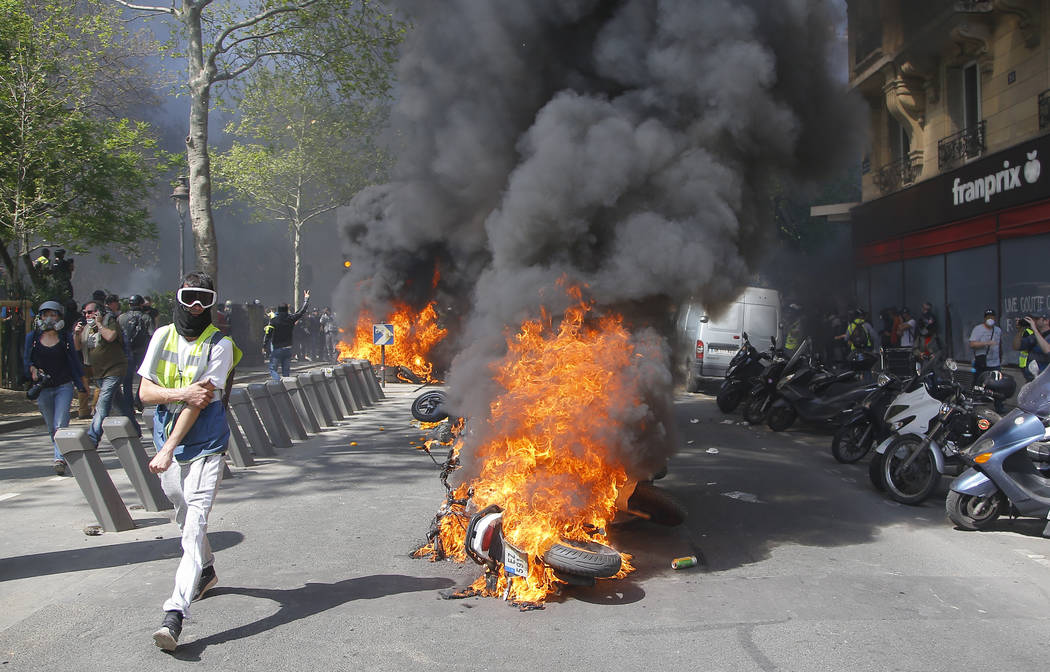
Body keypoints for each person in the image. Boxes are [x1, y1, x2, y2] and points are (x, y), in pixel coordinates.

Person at [140, 271, 242, 652]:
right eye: (190, 297)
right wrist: (181, 392)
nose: (197, 306)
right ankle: (208, 569)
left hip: (206, 443)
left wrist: (168, 448)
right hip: (168, 438)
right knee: (181, 511)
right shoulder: (162, 336)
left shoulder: (221, 344)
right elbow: (145, 391)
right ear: (179, 299)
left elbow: (199, 404)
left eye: (204, 299)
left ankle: (175, 613)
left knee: (193, 525)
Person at [23, 301, 86, 475]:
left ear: (59, 317)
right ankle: (61, 452)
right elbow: (26, 360)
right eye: (45, 315)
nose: (49, 318)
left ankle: (59, 458)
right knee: (52, 427)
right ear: (40, 317)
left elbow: (74, 361)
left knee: (60, 424)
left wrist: (80, 384)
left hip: (63, 386)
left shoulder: (65, 338)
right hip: (43, 388)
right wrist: (32, 369)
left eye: (53, 314)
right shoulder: (33, 338)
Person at [76, 300, 139, 446]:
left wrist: (99, 324)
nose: (87, 315)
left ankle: (92, 438)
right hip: (98, 373)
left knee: (102, 404)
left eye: (90, 312)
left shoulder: (109, 321)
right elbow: (78, 347)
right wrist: (77, 333)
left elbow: (110, 336)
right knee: (120, 405)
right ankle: (135, 430)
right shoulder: (87, 328)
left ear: (98, 312)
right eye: (85, 313)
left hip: (115, 369)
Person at [263, 290, 310, 380]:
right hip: (288, 349)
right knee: (286, 371)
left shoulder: (273, 320)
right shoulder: (290, 319)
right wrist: (306, 299)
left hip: (277, 348)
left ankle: (278, 382)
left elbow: (268, 334)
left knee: (273, 369)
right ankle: (286, 385)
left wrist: (264, 345)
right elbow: (301, 312)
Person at [119, 295, 154, 412]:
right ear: (141, 304)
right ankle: (138, 400)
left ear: (129, 304)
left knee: (127, 380)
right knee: (144, 376)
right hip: (142, 352)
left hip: (126, 352)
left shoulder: (121, 318)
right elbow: (152, 335)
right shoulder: (146, 317)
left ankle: (128, 405)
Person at [969, 308, 1004, 411]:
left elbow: (1000, 344)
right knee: (978, 384)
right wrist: (986, 343)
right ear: (985, 318)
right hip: (982, 362)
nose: (990, 319)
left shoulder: (997, 330)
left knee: (998, 385)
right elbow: (972, 344)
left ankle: (999, 406)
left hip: (995, 363)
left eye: (992, 317)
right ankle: (974, 405)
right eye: (988, 317)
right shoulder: (978, 329)